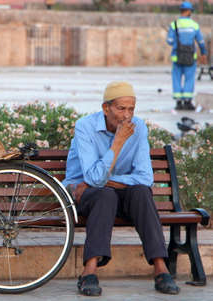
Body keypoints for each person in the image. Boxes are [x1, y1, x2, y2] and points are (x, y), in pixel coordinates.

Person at [63, 81, 180, 296]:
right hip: (83, 195)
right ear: (106, 108)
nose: (127, 116)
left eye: (131, 109)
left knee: (141, 193)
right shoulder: (85, 127)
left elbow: (145, 178)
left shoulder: (139, 127)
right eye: (121, 108)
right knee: (105, 195)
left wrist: (100, 180)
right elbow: (93, 179)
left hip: (110, 190)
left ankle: (161, 268)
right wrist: (117, 142)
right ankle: (89, 271)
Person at [166, 1, 207, 110]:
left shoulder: (174, 24)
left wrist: (176, 41)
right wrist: (203, 53)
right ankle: (188, 101)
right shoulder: (194, 25)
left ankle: (179, 102)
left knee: (176, 78)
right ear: (189, 11)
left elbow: (169, 41)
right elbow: (201, 41)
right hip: (190, 58)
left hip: (177, 57)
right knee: (189, 79)